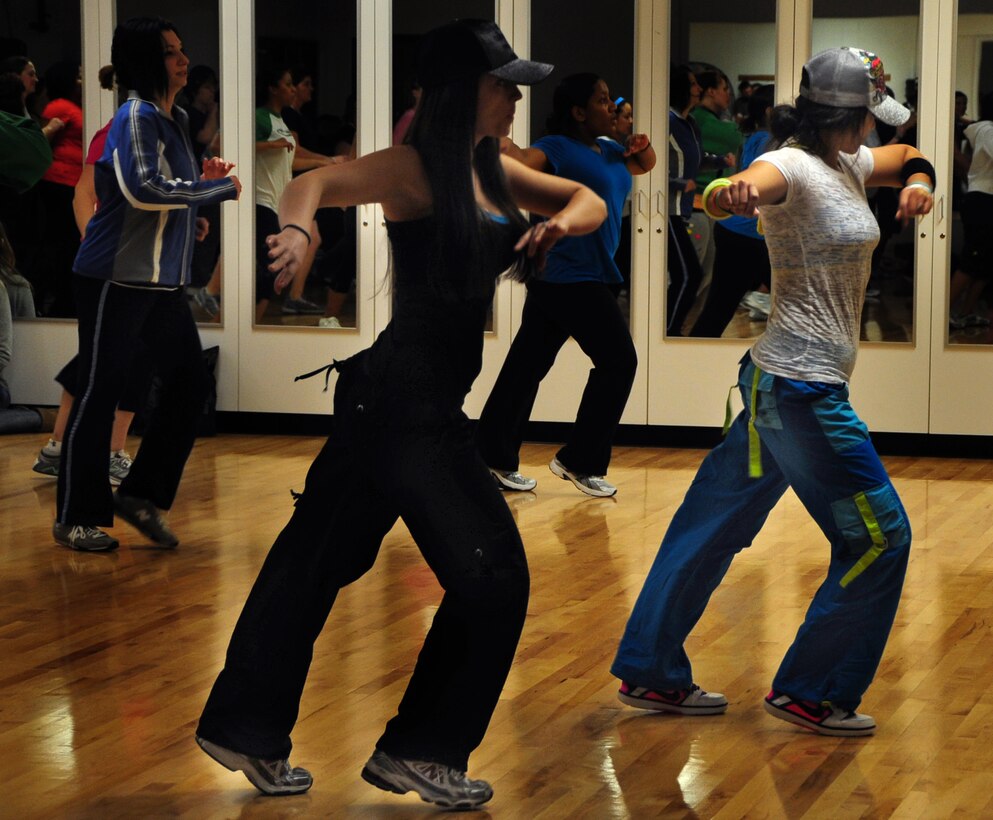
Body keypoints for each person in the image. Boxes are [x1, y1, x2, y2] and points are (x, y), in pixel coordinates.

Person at [195, 19, 603, 808]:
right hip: (407, 408)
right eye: (501, 85)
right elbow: (316, 183)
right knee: (493, 576)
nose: (515, 98)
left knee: (312, 562)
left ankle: (244, 726)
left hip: (391, 400)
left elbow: (587, 200)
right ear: (460, 91)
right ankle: (420, 750)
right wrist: (296, 229)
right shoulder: (413, 168)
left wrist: (558, 224)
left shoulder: (492, 170)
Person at [611, 47, 933, 738]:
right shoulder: (791, 165)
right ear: (847, 113)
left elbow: (909, 153)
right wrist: (726, 193)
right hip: (800, 394)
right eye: (870, 115)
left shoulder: (849, 163)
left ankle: (649, 668)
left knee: (709, 527)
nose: (876, 127)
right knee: (881, 539)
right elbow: (742, 185)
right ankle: (811, 692)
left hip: (772, 387)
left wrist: (919, 182)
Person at [52, 16, 240, 553]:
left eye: (182, 50)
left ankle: (139, 495)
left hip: (159, 283)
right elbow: (143, 189)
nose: (184, 60)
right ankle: (75, 516)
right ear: (145, 62)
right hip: (113, 277)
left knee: (189, 385)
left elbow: (164, 195)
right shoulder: (135, 116)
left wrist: (194, 206)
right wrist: (215, 191)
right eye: (171, 52)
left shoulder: (174, 118)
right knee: (100, 390)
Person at [475, 72, 654, 498]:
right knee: (619, 362)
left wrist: (641, 146)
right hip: (568, 277)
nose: (611, 106)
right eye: (602, 100)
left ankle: (490, 458)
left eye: (610, 99)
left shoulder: (611, 149)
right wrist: (490, 136)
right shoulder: (556, 148)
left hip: (586, 274)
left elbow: (643, 166)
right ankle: (580, 460)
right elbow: (518, 163)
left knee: (526, 366)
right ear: (578, 112)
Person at [690, 84, 776, 336]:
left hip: (738, 232)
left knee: (719, 308)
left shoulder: (753, 137)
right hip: (747, 234)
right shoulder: (767, 141)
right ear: (770, 111)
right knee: (719, 308)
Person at [36, 60, 84, 317]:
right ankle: (58, 304)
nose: (82, 82)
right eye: (77, 77)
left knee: (70, 245)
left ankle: (65, 302)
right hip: (59, 184)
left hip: (72, 184)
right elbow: (42, 141)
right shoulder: (60, 106)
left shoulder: (75, 106)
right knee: (63, 245)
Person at [666, 64, 706, 335]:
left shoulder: (689, 123)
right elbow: (649, 168)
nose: (698, 89)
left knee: (688, 275)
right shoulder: (667, 122)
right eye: (692, 84)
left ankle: (670, 330)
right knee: (689, 275)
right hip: (664, 210)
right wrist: (679, 183)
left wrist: (720, 161)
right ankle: (669, 332)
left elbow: (696, 159)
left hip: (682, 210)